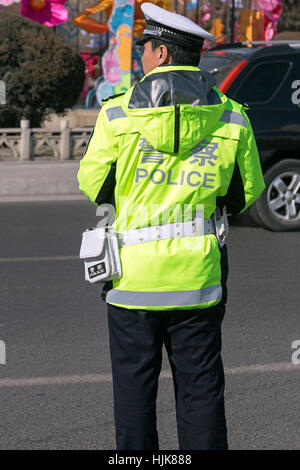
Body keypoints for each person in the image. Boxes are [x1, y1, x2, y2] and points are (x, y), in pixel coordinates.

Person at [77, 3, 265, 450]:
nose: (140, 55)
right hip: (198, 282)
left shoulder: (118, 115)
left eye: (145, 47)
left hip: (132, 282)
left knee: (135, 395)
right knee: (201, 393)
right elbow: (244, 194)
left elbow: (94, 186)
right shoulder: (233, 116)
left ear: (161, 53)